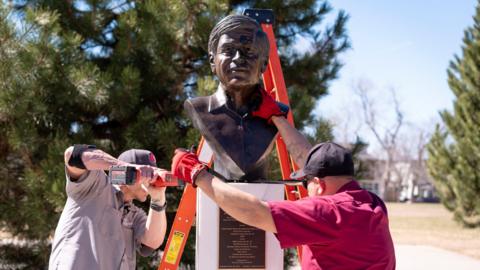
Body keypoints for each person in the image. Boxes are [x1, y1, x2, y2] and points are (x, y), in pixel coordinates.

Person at [170, 93, 396, 269]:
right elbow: (309, 160)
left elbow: (255, 211)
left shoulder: (328, 213)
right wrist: (277, 118)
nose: (305, 190)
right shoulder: (372, 204)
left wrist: (197, 174)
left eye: (307, 184)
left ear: (321, 184)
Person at [184, 14, 287, 180]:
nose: (238, 59)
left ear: (264, 64)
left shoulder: (279, 113)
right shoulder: (198, 108)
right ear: (212, 61)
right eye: (228, 51)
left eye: (249, 51)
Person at [49, 145, 168, 270]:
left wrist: (158, 200)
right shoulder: (93, 186)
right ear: (126, 175)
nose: (152, 182)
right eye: (147, 176)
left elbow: (150, 244)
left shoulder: (134, 215)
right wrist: (126, 167)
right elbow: (72, 155)